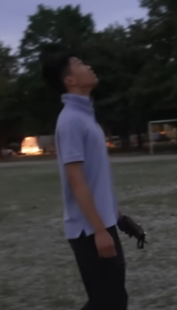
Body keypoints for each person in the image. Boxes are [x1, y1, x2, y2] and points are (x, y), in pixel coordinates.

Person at [42, 51, 128, 310]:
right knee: (108, 302)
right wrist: (100, 231)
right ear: (69, 80)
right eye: (80, 64)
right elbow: (75, 179)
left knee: (111, 300)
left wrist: (114, 212)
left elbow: (94, 174)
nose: (89, 66)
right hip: (89, 229)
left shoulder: (85, 116)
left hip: (101, 222)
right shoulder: (71, 120)